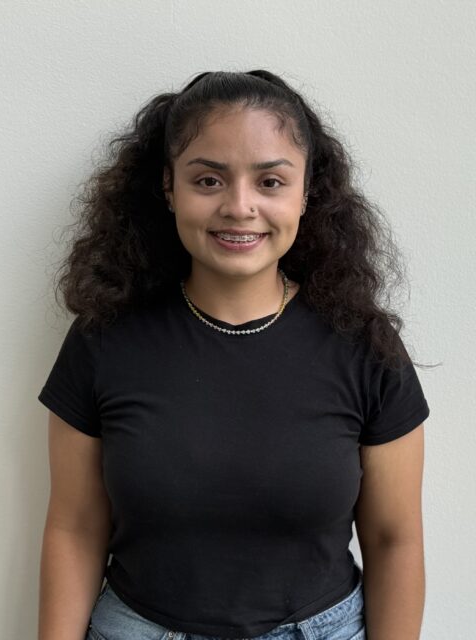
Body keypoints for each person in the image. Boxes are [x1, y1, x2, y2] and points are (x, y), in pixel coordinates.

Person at [37, 70, 431, 640]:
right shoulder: (103, 338)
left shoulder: (365, 345)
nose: (240, 206)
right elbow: (74, 529)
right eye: (208, 180)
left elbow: (396, 540)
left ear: (306, 191)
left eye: (270, 181)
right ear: (169, 187)